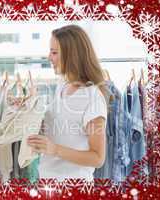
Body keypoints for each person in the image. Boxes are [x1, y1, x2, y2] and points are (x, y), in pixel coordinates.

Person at [27, 25, 108, 181]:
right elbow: (57, 128)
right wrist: (27, 108)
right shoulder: (62, 85)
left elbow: (98, 158)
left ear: (72, 55)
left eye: (54, 52)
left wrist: (55, 149)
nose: (49, 57)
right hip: (47, 181)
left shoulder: (92, 97)